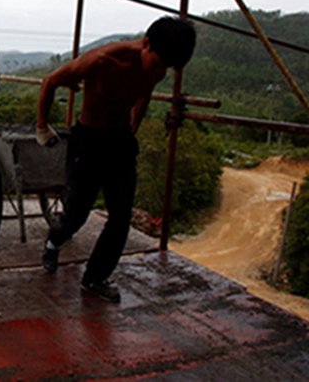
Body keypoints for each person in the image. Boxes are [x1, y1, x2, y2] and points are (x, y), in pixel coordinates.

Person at [36, 16, 195, 302]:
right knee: (76, 215)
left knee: (121, 217)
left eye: (167, 69)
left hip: (119, 142)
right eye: (158, 64)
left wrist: (132, 129)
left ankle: (95, 277)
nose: (161, 72)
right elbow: (50, 82)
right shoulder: (102, 61)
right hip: (88, 140)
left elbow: (143, 96)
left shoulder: (156, 68)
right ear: (146, 43)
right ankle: (53, 240)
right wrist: (41, 126)